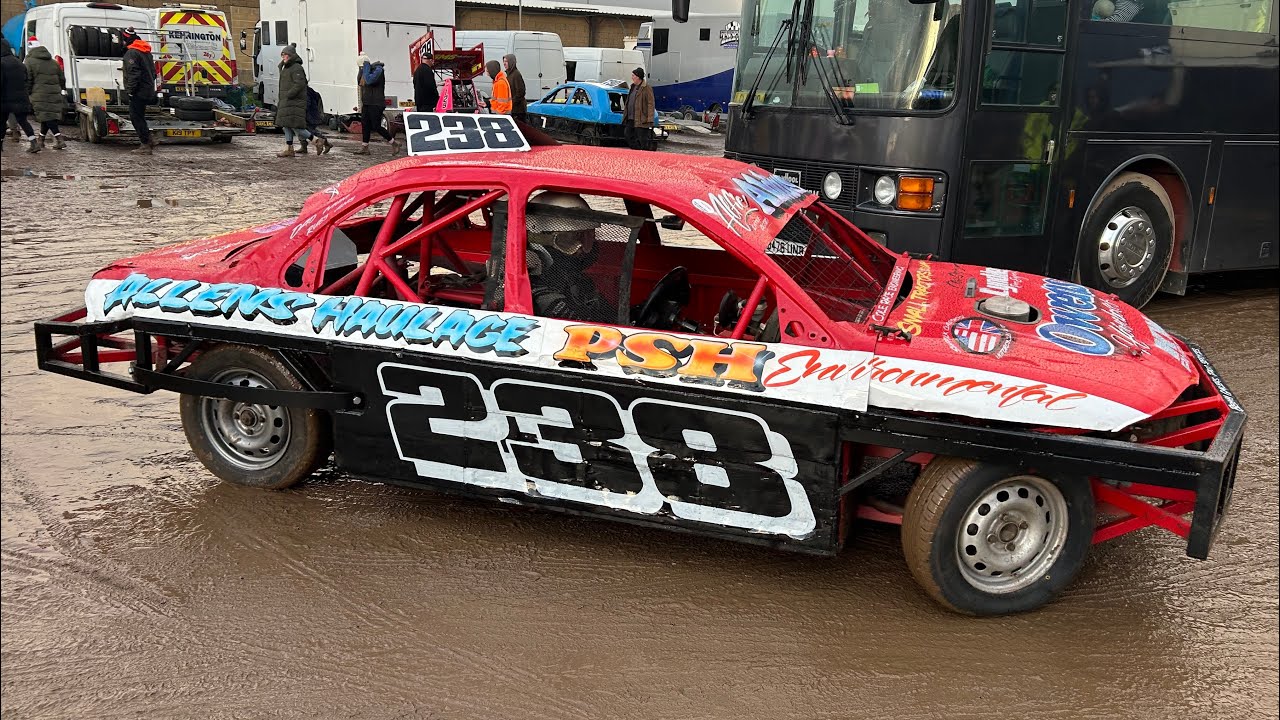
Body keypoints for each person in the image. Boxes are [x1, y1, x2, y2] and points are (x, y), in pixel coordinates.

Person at [524, 191, 612, 322]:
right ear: (538, 237)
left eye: (585, 237)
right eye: (569, 240)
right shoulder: (538, 294)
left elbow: (607, 316)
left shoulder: (577, 280)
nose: (580, 248)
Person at [24, 38, 67, 150]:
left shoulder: (29, 61)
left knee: (47, 118)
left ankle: (59, 139)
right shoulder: (54, 62)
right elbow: (62, 78)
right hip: (55, 92)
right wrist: (61, 89)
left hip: (39, 94)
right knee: (47, 116)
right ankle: (41, 140)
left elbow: (28, 79)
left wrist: (27, 93)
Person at [353, 53, 398, 155]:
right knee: (365, 124)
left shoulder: (378, 70)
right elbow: (360, 83)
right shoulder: (366, 71)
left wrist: (365, 67)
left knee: (376, 126)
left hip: (376, 103)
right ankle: (365, 147)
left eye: (361, 67)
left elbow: (369, 81)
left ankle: (393, 143)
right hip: (367, 102)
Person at [120, 29, 157, 155]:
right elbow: (153, 72)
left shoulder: (132, 53)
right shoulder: (146, 52)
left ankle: (145, 143)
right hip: (148, 89)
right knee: (140, 116)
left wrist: (130, 91)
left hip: (138, 91)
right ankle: (148, 140)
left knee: (136, 117)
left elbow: (134, 73)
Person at [0, 38, 38, 153]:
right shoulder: (19, 63)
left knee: (1, 122)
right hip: (21, 98)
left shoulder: (1, 63)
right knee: (23, 121)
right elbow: (26, 80)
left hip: (5, 99)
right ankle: (34, 143)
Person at [274, 44, 313, 157]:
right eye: (282, 55)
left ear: (291, 56)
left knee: (297, 127)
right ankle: (288, 148)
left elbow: (299, 84)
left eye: (285, 55)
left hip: (293, 101)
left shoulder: (296, 67)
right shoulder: (285, 67)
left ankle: (316, 140)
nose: (283, 57)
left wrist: (289, 94)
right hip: (286, 101)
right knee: (285, 125)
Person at [623, 67, 655, 151]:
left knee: (642, 138)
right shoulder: (632, 87)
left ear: (638, 77)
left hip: (641, 118)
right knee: (627, 134)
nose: (632, 77)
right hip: (631, 117)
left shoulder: (646, 88)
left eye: (633, 75)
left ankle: (644, 153)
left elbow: (650, 104)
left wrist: (649, 118)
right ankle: (636, 150)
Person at [304, 86, 331, 154]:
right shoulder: (310, 91)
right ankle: (326, 143)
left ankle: (325, 142)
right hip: (313, 114)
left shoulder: (306, 92)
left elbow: (307, 104)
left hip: (310, 115)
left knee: (309, 131)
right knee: (308, 130)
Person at [503, 53, 526, 122]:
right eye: (503, 61)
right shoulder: (509, 74)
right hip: (512, 109)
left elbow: (521, 92)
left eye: (506, 61)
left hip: (518, 110)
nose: (504, 63)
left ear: (511, 62)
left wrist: (511, 103)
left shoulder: (516, 74)